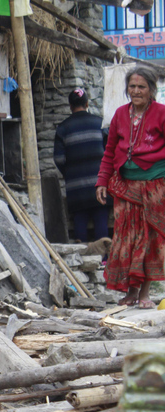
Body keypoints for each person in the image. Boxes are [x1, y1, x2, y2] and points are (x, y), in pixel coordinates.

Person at [96, 66, 165, 309]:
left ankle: (144, 293)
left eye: (141, 87)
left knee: (148, 239)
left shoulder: (161, 113)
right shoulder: (120, 115)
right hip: (125, 188)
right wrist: (102, 181)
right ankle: (131, 292)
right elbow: (110, 151)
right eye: (132, 86)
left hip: (154, 188)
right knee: (127, 239)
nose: (136, 91)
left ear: (151, 90)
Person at [54, 88, 110, 243]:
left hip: (75, 187)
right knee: (101, 219)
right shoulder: (100, 123)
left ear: (70, 106)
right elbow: (110, 153)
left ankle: (82, 257)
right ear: (87, 103)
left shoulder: (63, 128)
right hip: (99, 183)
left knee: (79, 220)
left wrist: (70, 173)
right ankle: (102, 259)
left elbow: (58, 158)